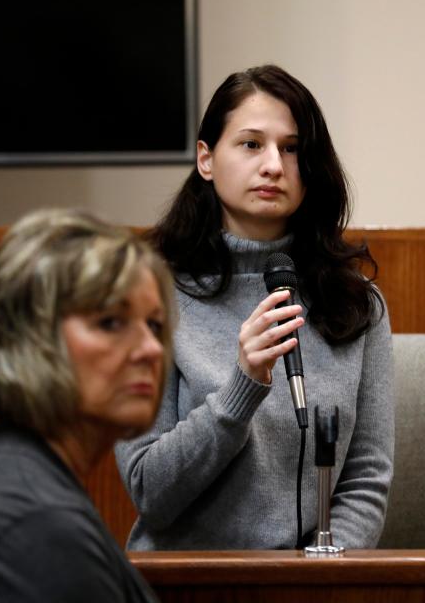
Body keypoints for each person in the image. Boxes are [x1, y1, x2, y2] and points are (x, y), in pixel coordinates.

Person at [115, 64, 394, 550]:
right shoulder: (149, 297)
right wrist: (241, 387)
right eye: (251, 144)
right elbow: (149, 490)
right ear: (206, 159)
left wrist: (315, 579)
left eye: (291, 148)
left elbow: (365, 482)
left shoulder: (356, 306)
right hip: (185, 582)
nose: (273, 166)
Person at [0, 209, 173, 602]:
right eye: (111, 322)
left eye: (154, 324)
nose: (152, 349)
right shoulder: (32, 524)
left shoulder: (13, 474)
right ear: (28, 336)